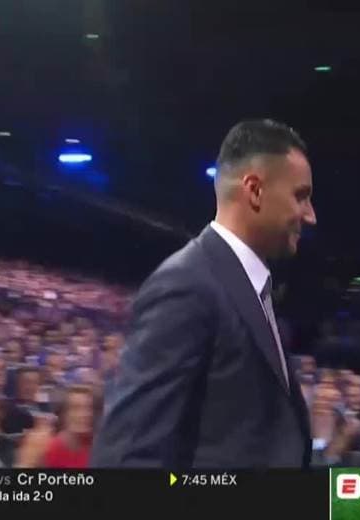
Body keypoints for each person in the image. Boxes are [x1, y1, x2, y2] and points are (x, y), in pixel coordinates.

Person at [91, 119, 317, 468]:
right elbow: (128, 455)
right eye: (300, 196)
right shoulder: (186, 284)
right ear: (254, 190)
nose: (310, 215)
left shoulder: (250, 285)